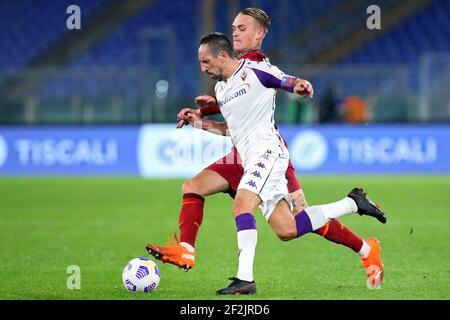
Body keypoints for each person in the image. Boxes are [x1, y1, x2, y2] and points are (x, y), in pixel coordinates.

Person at [146, 8, 385, 291]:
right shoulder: (223, 87)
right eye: (234, 27)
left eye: (242, 28)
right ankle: (355, 212)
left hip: (267, 152)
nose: (235, 31)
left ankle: (245, 279)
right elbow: (231, 128)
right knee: (281, 226)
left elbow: (283, 81)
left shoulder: (257, 67)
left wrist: (299, 86)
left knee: (254, 207)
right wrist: (201, 119)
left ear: (258, 34)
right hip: (241, 155)